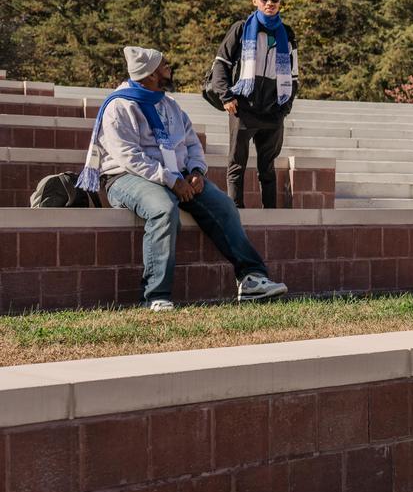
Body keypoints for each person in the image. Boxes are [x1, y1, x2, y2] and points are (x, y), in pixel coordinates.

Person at [76, 46, 287, 311]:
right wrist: (171, 180)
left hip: (178, 175)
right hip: (124, 178)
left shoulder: (169, 104)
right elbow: (128, 156)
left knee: (223, 205)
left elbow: (191, 143)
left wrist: (197, 172)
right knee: (163, 208)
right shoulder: (120, 105)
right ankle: (155, 296)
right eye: (164, 64)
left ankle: (252, 278)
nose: (169, 67)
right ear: (151, 74)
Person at [210, 0, 299, 208]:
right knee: (237, 166)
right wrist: (226, 96)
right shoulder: (242, 29)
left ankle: (269, 214)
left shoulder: (287, 34)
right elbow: (221, 63)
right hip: (243, 109)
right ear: (255, 1)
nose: (270, 2)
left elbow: (294, 75)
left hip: (273, 111)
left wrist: (285, 107)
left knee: (267, 168)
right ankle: (235, 213)